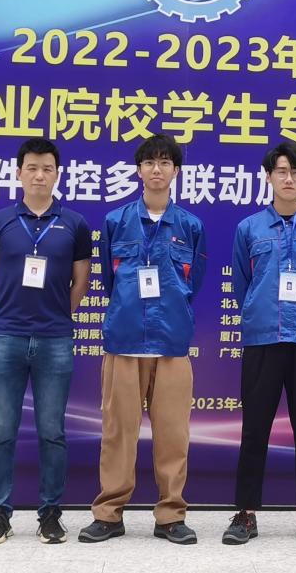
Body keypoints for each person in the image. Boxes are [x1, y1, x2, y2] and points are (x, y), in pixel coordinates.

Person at [78, 134, 207, 545]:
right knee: (118, 432)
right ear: (138, 171)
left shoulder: (190, 226)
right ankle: (109, 513)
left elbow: (194, 283)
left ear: (175, 171)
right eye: (149, 162)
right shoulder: (115, 221)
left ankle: (170, 514)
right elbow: (109, 278)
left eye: (165, 162)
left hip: (172, 344)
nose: (156, 169)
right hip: (124, 340)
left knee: (173, 434)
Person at [0, 138, 92, 545]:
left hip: (55, 339)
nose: (40, 175)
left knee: (52, 432)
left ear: (57, 174)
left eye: (47, 168)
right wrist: (4, 317)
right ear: (18, 173)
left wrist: (57, 316)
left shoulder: (74, 223)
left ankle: (50, 513)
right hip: (5, 338)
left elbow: (80, 282)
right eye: (32, 168)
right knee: (1, 430)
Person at [222, 143, 296, 545]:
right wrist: (258, 311)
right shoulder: (249, 228)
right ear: (269, 177)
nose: (289, 179)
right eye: (281, 171)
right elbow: (242, 283)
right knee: (255, 428)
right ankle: (245, 513)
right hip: (262, 339)